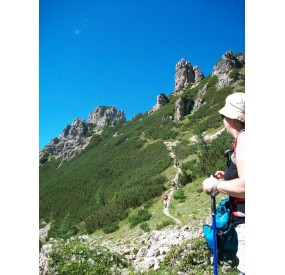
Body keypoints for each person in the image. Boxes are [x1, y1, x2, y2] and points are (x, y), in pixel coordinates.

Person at [202, 92, 245, 274]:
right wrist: (226, 177)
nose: (223, 119)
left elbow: (246, 187)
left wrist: (215, 186)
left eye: (224, 115)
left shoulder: (246, 138)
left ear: (235, 119)